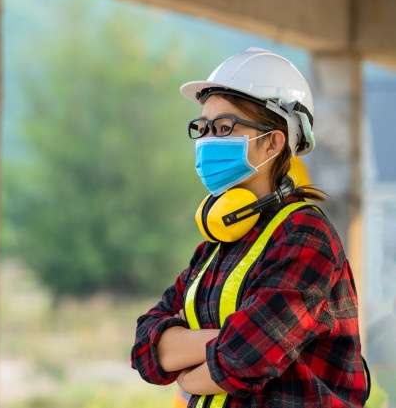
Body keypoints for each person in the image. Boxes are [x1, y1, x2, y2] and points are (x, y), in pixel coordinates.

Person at [131, 48, 369, 407]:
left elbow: (247, 359)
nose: (208, 139)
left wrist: (188, 368)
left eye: (224, 127)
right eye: (203, 127)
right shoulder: (219, 242)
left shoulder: (305, 237)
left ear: (273, 141)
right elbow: (145, 349)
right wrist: (225, 344)